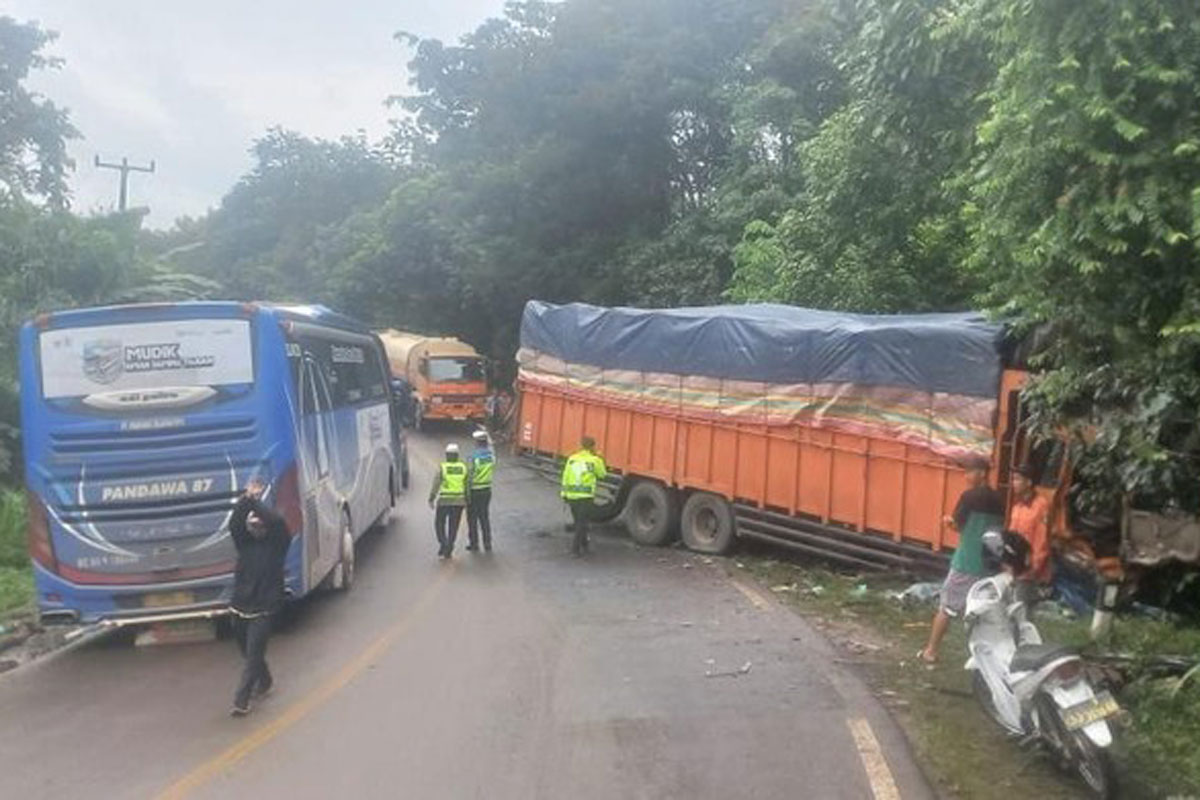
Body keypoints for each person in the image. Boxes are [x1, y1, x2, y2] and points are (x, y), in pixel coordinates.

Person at [919, 455, 1005, 664]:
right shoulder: (999, 500)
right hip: (989, 564)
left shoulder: (969, 497)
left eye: (969, 471)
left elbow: (959, 525)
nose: (966, 476)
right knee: (981, 611)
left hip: (967, 561)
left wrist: (948, 522)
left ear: (982, 473)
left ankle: (931, 651)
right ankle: (985, 657)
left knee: (947, 607)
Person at [228, 478, 290, 717]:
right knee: (247, 652)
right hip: (240, 607)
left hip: (264, 609)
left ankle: (241, 699)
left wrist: (256, 503)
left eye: (259, 524)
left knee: (253, 655)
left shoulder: (278, 544)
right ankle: (265, 680)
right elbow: (235, 524)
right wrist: (246, 500)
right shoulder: (244, 544)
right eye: (253, 525)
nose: (256, 528)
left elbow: (276, 522)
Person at [1008, 464, 1053, 600]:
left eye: (1017, 479)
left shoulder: (1041, 506)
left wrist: (1034, 566)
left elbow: (1042, 539)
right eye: (1013, 479)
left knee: (1021, 610)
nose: (1013, 483)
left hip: (1029, 568)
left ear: (1028, 482)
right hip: (1015, 565)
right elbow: (1011, 537)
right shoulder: (1017, 507)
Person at [560, 436, 607, 556]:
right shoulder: (594, 460)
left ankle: (585, 545)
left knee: (578, 521)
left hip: (571, 495)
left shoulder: (572, 459)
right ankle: (575, 550)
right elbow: (602, 474)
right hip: (585, 496)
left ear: (580, 445)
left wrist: (564, 494)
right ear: (592, 447)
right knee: (582, 522)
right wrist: (601, 459)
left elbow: (565, 477)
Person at [429, 443, 467, 559]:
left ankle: (443, 543)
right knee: (453, 525)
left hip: (444, 500)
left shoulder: (443, 467)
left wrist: (431, 498)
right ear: (457, 455)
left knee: (439, 523)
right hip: (459, 502)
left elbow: (436, 483)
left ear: (447, 455)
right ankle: (449, 546)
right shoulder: (463, 467)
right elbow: (467, 484)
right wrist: (467, 499)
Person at [466, 430, 495, 552]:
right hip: (487, 490)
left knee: (472, 519)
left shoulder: (473, 458)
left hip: (474, 491)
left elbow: (469, 476)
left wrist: (466, 493)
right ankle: (487, 543)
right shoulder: (491, 457)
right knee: (484, 517)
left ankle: (474, 544)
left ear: (477, 443)